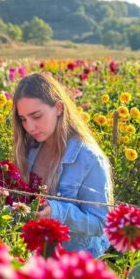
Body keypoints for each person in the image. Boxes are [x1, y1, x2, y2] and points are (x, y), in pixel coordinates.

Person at [12, 72, 112, 258]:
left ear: (58, 108)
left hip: (75, 263)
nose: (30, 127)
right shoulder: (29, 150)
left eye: (36, 116)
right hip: (36, 256)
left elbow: (101, 224)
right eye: (23, 119)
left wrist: (57, 212)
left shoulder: (88, 158)